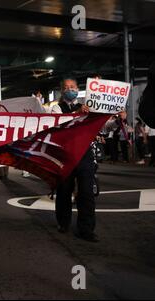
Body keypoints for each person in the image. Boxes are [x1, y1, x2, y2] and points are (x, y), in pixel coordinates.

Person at [51, 77, 99, 242]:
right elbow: (57, 125)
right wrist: (76, 114)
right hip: (65, 154)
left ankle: (86, 229)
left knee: (87, 193)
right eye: (66, 87)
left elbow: (102, 127)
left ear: (78, 89)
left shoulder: (89, 107)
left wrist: (118, 119)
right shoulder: (56, 108)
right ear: (62, 91)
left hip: (85, 155)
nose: (69, 89)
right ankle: (63, 222)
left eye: (72, 86)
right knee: (64, 190)